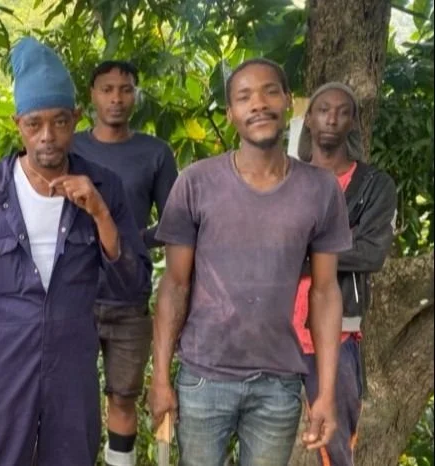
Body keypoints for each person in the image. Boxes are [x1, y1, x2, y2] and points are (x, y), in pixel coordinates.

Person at [0, 37, 151, 466]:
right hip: (4, 361)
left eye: (60, 122)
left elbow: (134, 283)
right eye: (34, 124)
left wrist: (100, 213)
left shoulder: (104, 187)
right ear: (18, 123)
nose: (48, 137)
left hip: (72, 360)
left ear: (77, 118)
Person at [148, 58, 353, 465]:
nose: (258, 103)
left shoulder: (320, 189)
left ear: (288, 101)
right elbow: (174, 285)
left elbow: (326, 292)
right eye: (244, 97)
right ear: (230, 114)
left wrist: (326, 393)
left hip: (278, 383)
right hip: (204, 377)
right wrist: (160, 379)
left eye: (269, 91)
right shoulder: (196, 182)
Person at [71, 60, 178, 466]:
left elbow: (174, 222)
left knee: (122, 397)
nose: (117, 98)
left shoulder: (155, 153)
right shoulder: (71, 148)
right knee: (71, 398)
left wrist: (134, 241)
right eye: (107, 89)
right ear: (92, 95)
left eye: (126, 89)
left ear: (136, 94)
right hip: (73, 296)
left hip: (129, 297)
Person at [293, 82, 397, 466]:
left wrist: (302, 257)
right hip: (274, 332)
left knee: (336, 449)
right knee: (267, 441)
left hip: (336, 333)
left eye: (342, 111)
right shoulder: (286, 179)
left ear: (353, 122)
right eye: (323, 110)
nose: (332, 119)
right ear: (309, 119)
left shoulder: (373, 185)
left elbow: (370, 253)